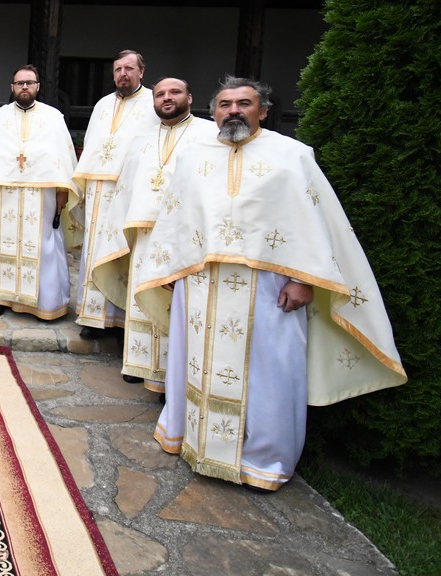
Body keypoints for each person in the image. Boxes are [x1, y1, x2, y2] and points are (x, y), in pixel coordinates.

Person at [134, 76, 406, 491]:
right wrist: (171, 267)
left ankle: (264, 460)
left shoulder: (292, 156)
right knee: (195, 361)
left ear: (263, 110)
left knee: (271, 372)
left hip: (268, 288)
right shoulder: (192, 157)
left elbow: (312, 222)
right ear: (214, 112)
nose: (233, 111)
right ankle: (192, 439)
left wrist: (302, 279)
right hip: (202, 283)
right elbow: (176, 216)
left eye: (244, 103)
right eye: (225, 104)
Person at [90, 78, 215, 390]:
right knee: (142, 296)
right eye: (160, 94)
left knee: (175, 302)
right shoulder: (142, 140)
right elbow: (126, 188)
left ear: (190, 97)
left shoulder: (208, 134)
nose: (166, 98)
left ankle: (169, 378)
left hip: (184, 238)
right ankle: (139, 362)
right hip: (145, 236)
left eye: (174, 92)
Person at [0, 65, 77, 320]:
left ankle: (44, 302)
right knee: (0, 243)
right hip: (3, 194)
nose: (25, 87)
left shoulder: (53, 117)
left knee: (43, 247)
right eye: (20, 83)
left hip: (42, 194)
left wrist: (63, 191)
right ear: (12, 87)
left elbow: (65, 158)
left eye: (30, 82)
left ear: (38, 86)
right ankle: (1, 296)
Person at [69, 49, 158, 338]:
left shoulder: (153, 103)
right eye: (118, 69)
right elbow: (94, 144)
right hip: (98, 190)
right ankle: (93, 316)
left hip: (131, 190)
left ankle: (120, 319)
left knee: (123, 252)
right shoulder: (103, 104)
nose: (123, 74)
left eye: (129, 68)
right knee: (94, 251)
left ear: (141, 72)